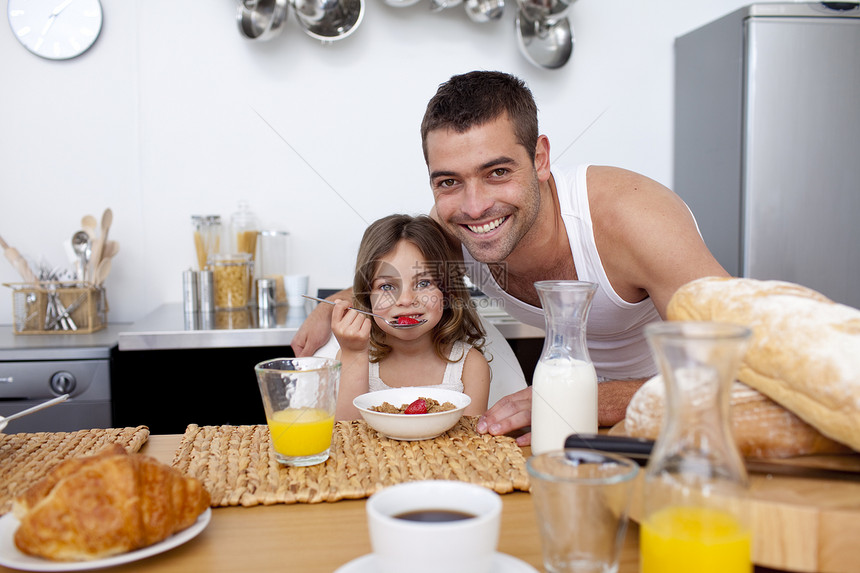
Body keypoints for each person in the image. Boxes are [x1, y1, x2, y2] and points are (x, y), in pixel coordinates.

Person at [293, 71, 729, 442]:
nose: (475, 206)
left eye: (497, 172)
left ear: (540, 158)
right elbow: (398, 273)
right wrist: (342, 300)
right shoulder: (451, 225)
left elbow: (741, 373)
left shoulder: (633, 219)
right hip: (568, 422)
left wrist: (586, 400)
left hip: (682, 421)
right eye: (448, 181)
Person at [330, 214, 491, 420]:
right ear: (367, 297)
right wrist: (354, 355)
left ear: (447, 291)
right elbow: (348, 437)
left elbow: (467, 445)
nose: (405, 300)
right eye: (387, 286)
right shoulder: (351, 356)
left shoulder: (470, 366)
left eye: (423, 283)